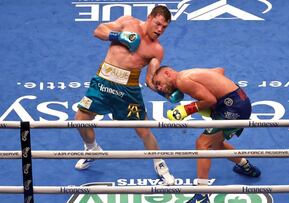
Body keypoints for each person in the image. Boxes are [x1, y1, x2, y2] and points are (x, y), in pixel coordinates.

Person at [75, 6, 181, 185]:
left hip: (128, 90)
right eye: (158, 24)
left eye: (165, 27)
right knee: (80, 120)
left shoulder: (157, 50)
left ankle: (160, 163)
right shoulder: (127, 22)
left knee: (144, 130)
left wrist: (167, 95)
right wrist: (118, 37)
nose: (160, 30)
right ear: (149, 17)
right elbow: (98, 31)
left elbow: (150, 79)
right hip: (102, 83)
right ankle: (92, 150)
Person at [152, 66, 261, 202]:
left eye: (158, 83)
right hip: (238, 100)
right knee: (215, 144)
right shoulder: (189, 74)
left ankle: (202, 194)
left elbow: (210, 100)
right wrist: (219, 88)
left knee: (202, 144)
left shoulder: (182, 81)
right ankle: (246, 167)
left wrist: (186, 110)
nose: (160, 88)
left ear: (167, 73)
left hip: (233, 107)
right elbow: (219, 71)